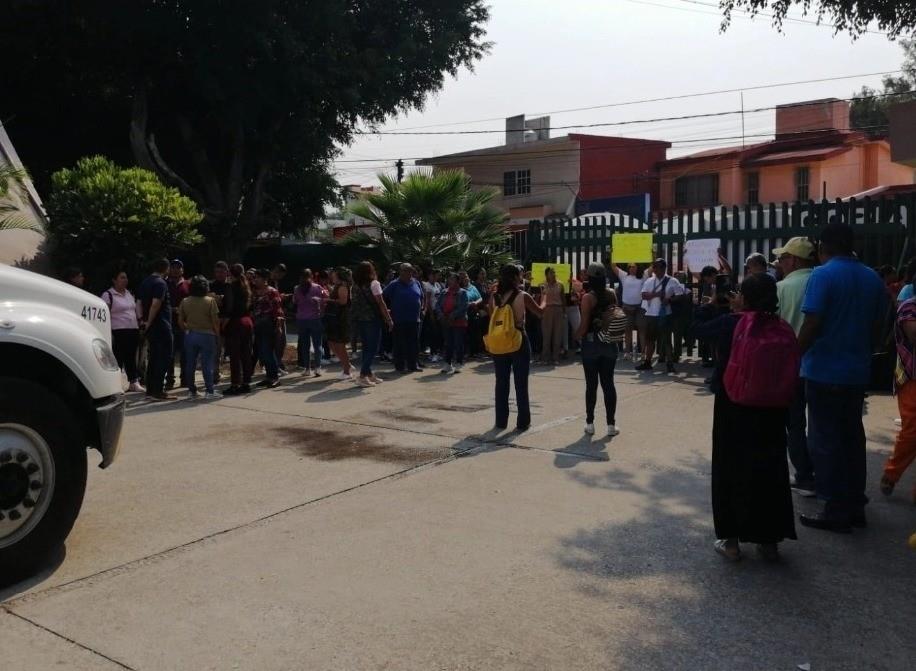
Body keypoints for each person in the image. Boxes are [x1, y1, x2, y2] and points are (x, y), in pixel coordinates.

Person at [693, 274, 797, 562]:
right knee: (769, 468)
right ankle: (769, 540)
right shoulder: (781, 327)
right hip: (773, 408)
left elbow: (696, 328)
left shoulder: (732, 323)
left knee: (731, 467)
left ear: (745, 297)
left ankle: (731, 541)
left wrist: (711, 304)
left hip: (733, 402)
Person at [797, 223, 887, 532]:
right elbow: (879, 325)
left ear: (824, 246)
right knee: (852, 437)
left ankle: (834, 506)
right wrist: (865, 350)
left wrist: (793, 354)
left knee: (824, 440)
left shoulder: (822, 275)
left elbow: (812, 322)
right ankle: (854, 504)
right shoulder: (872, 277)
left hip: (824, 369)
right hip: (856, 371)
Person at [774, 237, 818, 497]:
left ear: (794, 259)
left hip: (790, 366)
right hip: (821, 366)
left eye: (782, 258)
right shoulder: (820, 281)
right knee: (822, 424)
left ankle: (804, 475)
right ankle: (824, 474)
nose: (779, 263)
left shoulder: (782, 287)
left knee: (795, 424)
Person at [489, 264, 545, 431]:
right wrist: (544, 297)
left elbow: (492, 315)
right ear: (514, 278)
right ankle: (522, 422)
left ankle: (500, 421)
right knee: (521, 383)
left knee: (501, 382)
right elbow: (540, 312)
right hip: (518, 339)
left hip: (499, 341)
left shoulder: (495, 297)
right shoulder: (523, 295)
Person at [575, 263, 626, 437]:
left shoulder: (588, 298)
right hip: (609, 343)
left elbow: (584, 325)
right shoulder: (611, 294)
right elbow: (615, 315)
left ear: (589, 277)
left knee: (591, 385)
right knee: (608, 384)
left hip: (591, 345)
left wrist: (576, 336)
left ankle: (590, 423)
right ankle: (611, 425)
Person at [137, 258, 176, 401]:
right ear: (166, 268)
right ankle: (158, 390)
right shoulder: (160, 283)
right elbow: (156, 303)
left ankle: (151, 390)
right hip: (161, 325)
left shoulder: (145, 282)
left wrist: (142, 320)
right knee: (164, 357)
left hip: (150, 327)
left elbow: (139, 302)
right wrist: (149, 321)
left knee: (153, 357)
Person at [178, 275, 221, 399]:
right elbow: (215, 321)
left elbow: (180, 320)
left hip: (191, 335)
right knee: (207, 364)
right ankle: (209, 391)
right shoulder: (210, 301)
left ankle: (192, 391)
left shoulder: (185, 301)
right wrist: (217, 335)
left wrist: (186, 329)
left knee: (190, 363)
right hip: (207, 335)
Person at [351, 261, 393, 387]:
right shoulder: (374, 284)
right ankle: (362, 376)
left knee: (366, 347)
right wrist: (389, 319)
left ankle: (369, 374)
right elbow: (381, 303)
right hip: (372, 319)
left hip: (360, 319)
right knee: (373, 348)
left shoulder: (355, 286)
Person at [637, 259, 683, 373]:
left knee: (667, 340)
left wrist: (669, 299)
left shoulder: (672, 281)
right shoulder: (649, 281)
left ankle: (670, 364)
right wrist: (656, 294)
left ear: (664, 268)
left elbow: (680, 295)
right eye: (655, 267)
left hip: (665, 314)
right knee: (650, 339)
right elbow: (643, 295)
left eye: (659, 267)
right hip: (651, 314)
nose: (656, 270)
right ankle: (648, 362)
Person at [102, 268, 144, 393]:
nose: (125, 280)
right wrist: (108, 332)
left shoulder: (129, 294)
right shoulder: (108, 295)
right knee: (118, 357)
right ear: (114, 280)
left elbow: (134, 310)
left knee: (131, 357)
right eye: (122, 277)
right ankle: (116, 384)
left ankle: (134, 382)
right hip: (118, 330)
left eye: (126, 277)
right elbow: (105, 315)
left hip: (132, 329)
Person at [384, 263, 424, 373]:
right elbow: (383, 297)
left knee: (414, 343)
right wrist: (387, 310)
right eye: (405, 270)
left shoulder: (416, 282)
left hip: (414, 319)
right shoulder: (394, 284)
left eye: (410, 270)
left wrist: (422, 308)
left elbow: (421, 296)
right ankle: (400, 366)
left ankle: (413, 364)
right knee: (400, 344)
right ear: (400, 272)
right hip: (399, 319)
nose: (408, 272)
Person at [223, 263, 254, 396]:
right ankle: (246, 383)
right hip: (247, 321)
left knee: (235, 355)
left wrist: (223, 324)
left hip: (236, 323)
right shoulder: (246, 286)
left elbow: (229, 309)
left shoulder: (231, 287)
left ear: (230, 274)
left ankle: (235, 384)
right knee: (246, 354)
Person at [251, 268, 284, 389]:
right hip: (257, 324)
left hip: (269, 324)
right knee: (262, 351)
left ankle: (274, 377)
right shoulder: (255, 292)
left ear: (264, 279)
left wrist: (279, 327)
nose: (255, 280)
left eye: (257, 277)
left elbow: (278, 310)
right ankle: (269, 376)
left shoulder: (272, 292)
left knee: (268, 350)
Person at [293, 269, 328, 377]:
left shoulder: (297, 288)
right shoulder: (317, 287)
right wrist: (321, 309)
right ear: (311, 276)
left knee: (305, 345)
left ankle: (307, 368)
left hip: (301, 319)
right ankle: (317, 368)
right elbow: (325, 298)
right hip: (315, 318)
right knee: (318, 345)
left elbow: (295, 301)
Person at [324, 267, 355, 381]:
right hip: (334, 318)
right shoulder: (338, 286)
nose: (332, 276)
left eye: (334, 274)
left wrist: (328, 300)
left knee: (339, 343)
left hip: (340, 319)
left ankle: (347, 371)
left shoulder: (342, 286)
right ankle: (347, 365)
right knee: (331, 342)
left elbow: (343, 301)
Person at [436, 272, 470, 374]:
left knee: (458, 343)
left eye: (452, 279)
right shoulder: (444, 292)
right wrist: (441, 315)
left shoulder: (463, 292)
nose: (449, 281)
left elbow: (463, 307)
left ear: (458, 281)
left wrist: (452, 315)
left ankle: (459, 363)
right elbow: (438, 305)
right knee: (448, 343)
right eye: (449, 279)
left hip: (459, 322)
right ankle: (448, 364)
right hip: (446, 322)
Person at [165, 259, 190, 390]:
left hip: (184, 324)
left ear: (182, 270)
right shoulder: (164, 284)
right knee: (170, 354)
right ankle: (169, 380)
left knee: (185, 354)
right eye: (173, 267)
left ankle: (184, 378)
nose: (176, 269)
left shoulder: (187, 284)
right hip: (169, 323)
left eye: (178, 267)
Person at [613, 263, 645, 360]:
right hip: (627, 307)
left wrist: (653, 254)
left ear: (637, 267)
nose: (632, 268)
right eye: (630, 266)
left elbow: (652, 267)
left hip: (639, 307)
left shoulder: (644, 276)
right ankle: (627, 352)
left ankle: (643, 353)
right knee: (627, 330)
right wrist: (612, 254)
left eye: (634, 266)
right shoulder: (624, 275)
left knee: (642, 330)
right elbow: (613, 266)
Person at [539, 267, 566, 365]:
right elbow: (539, 298)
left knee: (557, 334)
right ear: (546, 274)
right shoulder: (542, 285)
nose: (553, 274)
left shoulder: (560, 284)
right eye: (551, 273)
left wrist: (564, 311)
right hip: (547, 309)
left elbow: (563, 298)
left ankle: (556, 357)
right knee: (546, 334)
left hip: (558, 309)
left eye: (554, 272)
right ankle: (545, 357)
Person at [210, 261, 230, 382]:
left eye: (221, 272)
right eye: (217, 272)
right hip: (216, 322)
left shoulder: (231, 286)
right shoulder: (211, 286)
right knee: (216, 351)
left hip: (230, 321)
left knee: (233, 351)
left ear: (226, 272)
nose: (219, 274)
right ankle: (215, 375)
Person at [269, 263, 289, 374]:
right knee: (277, 341)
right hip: (274, 316)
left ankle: (278, 363)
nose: (280, 278)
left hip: (279, 314)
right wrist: (281, 297)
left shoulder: (275, 282)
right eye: (280, 275)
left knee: (281, 341)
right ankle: (275, 365)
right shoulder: (268, 282)